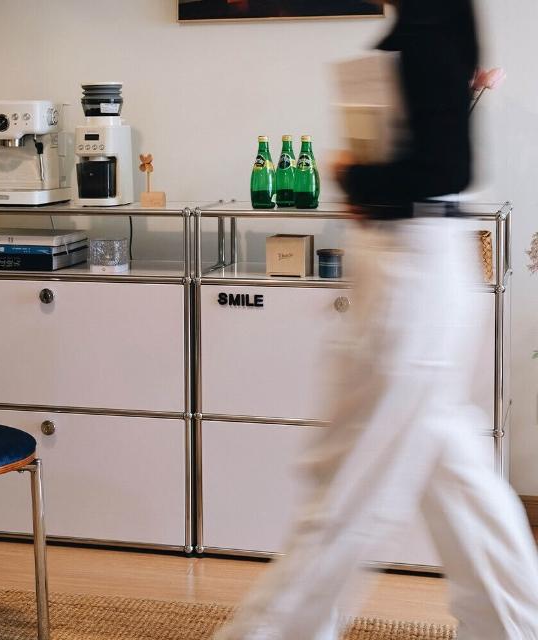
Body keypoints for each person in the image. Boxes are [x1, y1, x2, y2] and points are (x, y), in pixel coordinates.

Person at [215, 1, 538, 638]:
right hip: (418, 263)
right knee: (456, 477)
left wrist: (354, 175)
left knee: (348, 484)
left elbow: (443, 166)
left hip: (411, 269)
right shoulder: (433, 16)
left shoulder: (428, 19)